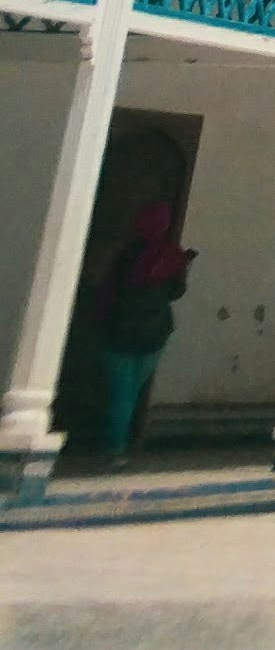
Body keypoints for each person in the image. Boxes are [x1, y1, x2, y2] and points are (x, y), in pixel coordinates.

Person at [91, 198, 191, 465]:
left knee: (120, 392)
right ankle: (117, 442)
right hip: (153, 332)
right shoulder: (169, 256)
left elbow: (108, 286)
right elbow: (176, 292)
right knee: (131, 391)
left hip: (120, 330)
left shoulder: (125, 253)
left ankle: (114, 446)